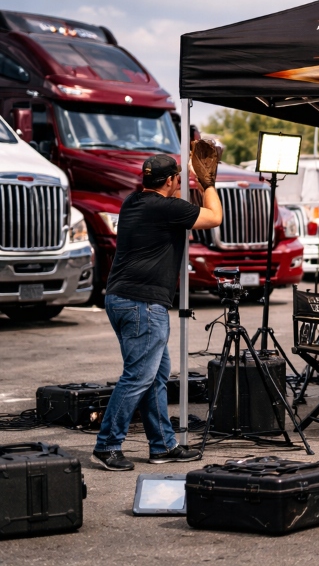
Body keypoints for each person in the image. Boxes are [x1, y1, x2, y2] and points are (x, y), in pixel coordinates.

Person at [92, 147, 222, 471]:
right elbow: (215, 217)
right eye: (178, 178)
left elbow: (179, 216)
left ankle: (162, 445)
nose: (180, 182)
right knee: (139, 376)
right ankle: (107, 445)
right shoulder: (166, 209)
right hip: (143, 305)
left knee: (155, 375)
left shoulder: (133, 202)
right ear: (170, 181)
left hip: (121, 299)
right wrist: (207, 184)